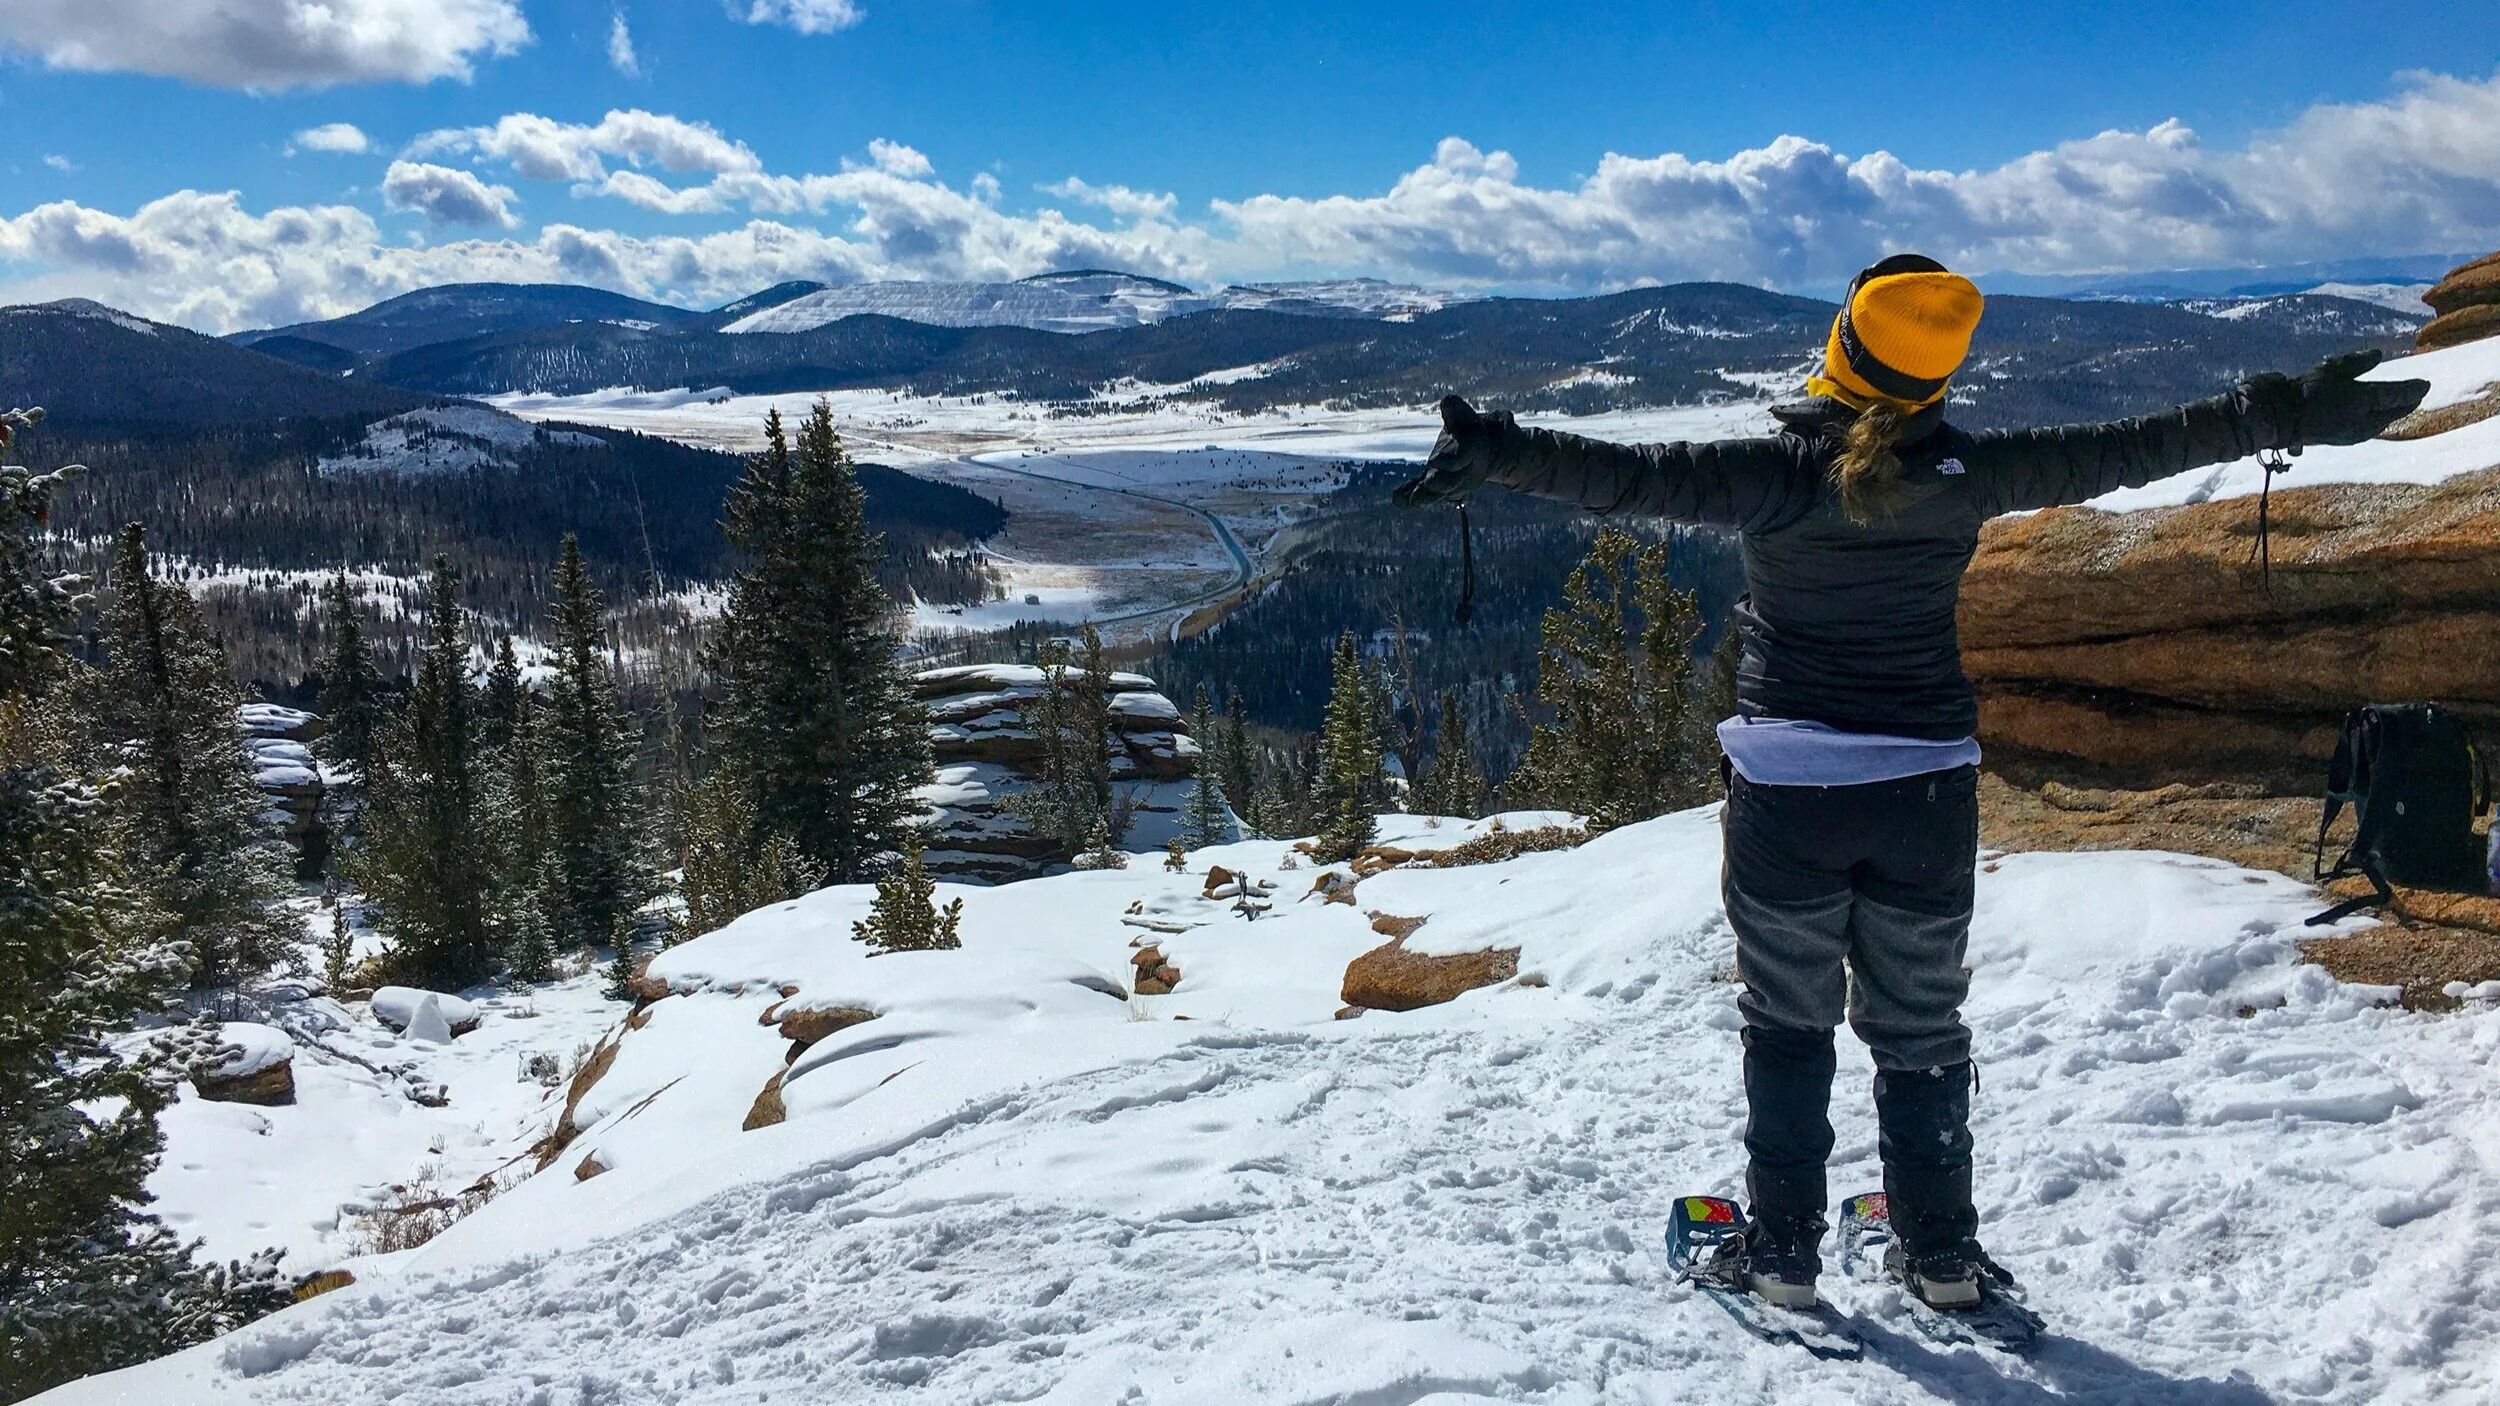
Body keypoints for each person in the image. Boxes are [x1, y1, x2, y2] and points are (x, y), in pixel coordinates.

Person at [1394, 254, 2428, 1314]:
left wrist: (1498, 451)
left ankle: (1784, 1250)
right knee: (1922, 1030)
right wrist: (2272, 410)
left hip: (1786, 798)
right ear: (1939, 380)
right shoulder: (1968, 475)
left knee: (1787, 1024)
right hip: (1925, 794)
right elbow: (2130, 448)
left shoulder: (1777, 475)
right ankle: (1940, 1254)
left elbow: (1633, 472)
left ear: (1839, 351)